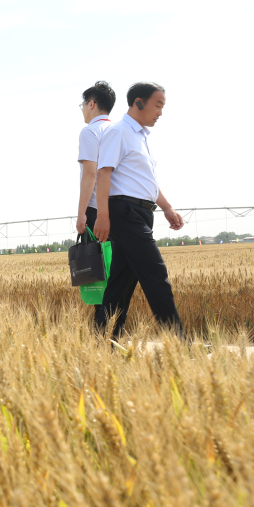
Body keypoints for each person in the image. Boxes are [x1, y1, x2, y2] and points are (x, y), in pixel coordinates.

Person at [93, 82, 185, 338]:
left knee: (121, 282)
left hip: (142, 212)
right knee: (156, 273)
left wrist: (166, 207)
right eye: (158, 105)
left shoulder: (141, 136)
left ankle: (103, 340)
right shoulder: (118, 131)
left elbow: (146, 181)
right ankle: (178, 342)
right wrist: (102, 215)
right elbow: (103, 174)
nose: (160, 112)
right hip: (124, 212)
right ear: (138, 102)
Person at [75, 81, 117, 235]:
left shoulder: (90, 131)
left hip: (96, 209)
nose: (82, 110)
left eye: (82, 105)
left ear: (91, 104)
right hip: (121, 207)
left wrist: (81, 213)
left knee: (97, 257)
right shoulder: (119, 131)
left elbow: (90, 174)